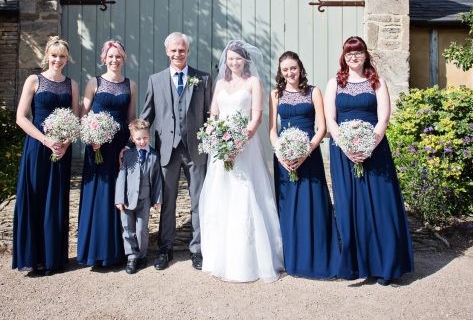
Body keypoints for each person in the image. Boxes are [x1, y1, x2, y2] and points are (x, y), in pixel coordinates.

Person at [324, 36, 413, 284]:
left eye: (358, 52)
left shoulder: (377, 81)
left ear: (365, 55)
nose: (353, 57)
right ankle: (358, 266)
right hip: (343, 153)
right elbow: (331, 119)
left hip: (375, 153)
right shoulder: (335, 83)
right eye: (349, 53)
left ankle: (386, 265)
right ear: (344, 56)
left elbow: (383, 117)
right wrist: (347, 147)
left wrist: (367, 146)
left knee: (381, 207)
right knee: (349, 209)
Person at [199, 40, 284, 282]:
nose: (234, 62)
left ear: (245, 61)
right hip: (221, 148)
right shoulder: (220, 83)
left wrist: (237, 143)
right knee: (221, 194)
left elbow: (256, 117)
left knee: (246, 194)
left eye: (238, 58)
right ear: (225, 61)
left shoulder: (253, 82)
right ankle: (219, 257)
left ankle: (250, 259)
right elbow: (214, 114)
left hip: (245, 146)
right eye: (230, 58)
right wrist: (217, 139)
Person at [140, 32, 212, 271]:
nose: (178, 54)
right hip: (166, 151)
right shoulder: (155, 80)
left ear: (188, 51)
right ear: (166, 52)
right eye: (173, 50)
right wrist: (132, 145)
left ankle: (197, 250)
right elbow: (146, 116)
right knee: (167, 202)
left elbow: (211, 116)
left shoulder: (202, 78)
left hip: (196, 150)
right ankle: (165, 249)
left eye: (182, 50)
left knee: (198, 202)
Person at [268, 51, 339, 279]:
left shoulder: (313, 92)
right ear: (281, 72)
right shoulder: (275, 94)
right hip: (284, 158)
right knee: (289, 209)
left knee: (313, 205)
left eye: (293, 68)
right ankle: (293, 259)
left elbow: (321, 128)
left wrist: (306, 151)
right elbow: (272, 130)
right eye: (285, 69)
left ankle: (318, 257)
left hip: (309, 156)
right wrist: (280, 153)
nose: (290, 73)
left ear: (300, 69)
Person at [12, 36, 79, 275]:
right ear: (47, 56)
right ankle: (31, 257)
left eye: (62, 56)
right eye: (54, 55)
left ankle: (53, 259)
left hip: (61, 151)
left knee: (55, 201)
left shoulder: (71, 84)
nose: (57, 60)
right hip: (37, 147)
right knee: (35, 197)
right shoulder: (34, 80)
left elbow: (76, 119)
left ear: (66, 58)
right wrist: (46, 140)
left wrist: (64, 144)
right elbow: (21, 117)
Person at [77, 40, 137, 269]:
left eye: (118, 56)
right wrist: (91, 139)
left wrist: (130, 145)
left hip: (119, 146)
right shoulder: (94, 82)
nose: (114, 60)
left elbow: (131, 117)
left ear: (124, 59)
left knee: (118, 193)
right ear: (104, 58)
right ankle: (94, 250)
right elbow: (83, 115)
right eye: (111, 56)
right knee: (98, 193)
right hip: (97, 145)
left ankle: (118, 251)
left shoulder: (130, 85)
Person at [114, 119, 163, 275]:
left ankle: (142, 255)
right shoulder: (128, 155)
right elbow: (121, 177)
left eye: (145, 138)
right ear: (132, 139)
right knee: (127, 229)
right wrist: (119, 199)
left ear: (149, 136)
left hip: (145, 199)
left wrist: (157, 200)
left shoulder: (155, 156)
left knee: (142, 230)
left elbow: (157, 180)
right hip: (127, 200)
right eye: (138, 139)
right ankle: (131, 257)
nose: (142, 142)